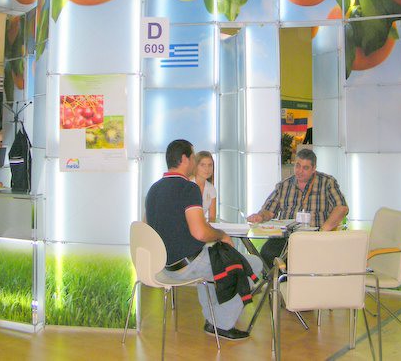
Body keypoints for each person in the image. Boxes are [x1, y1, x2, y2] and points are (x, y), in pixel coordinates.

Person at [145, 139, 262, 341]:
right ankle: (222, 323)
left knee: (214, 264)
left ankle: (213, 320)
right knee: (253, 263)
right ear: (185, 159)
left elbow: (149, 226)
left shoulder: (154, 189)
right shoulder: (188, 189)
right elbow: (200, 233)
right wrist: (221, 235)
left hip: (163, 266)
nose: (195, 161)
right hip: (188, 265)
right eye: (193, 157)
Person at [247, 148, 349, 267]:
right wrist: (260, 216)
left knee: (305, 259)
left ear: (314, 169)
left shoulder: (327, 183)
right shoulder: (284, 185)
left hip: (315, 237)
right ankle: (279, 279)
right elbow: (269, 211)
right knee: (267, 253)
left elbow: (342, 208)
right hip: (286, 238)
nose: (300, 171)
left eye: (305, 168)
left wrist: (324, 230)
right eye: (297, 166)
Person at [191, 151, 217, 222]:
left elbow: (212, 218)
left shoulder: (211, 189)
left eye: (210, 165)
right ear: (195, 166)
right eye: (202, 165)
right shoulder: (187, 185)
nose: (207, 169)